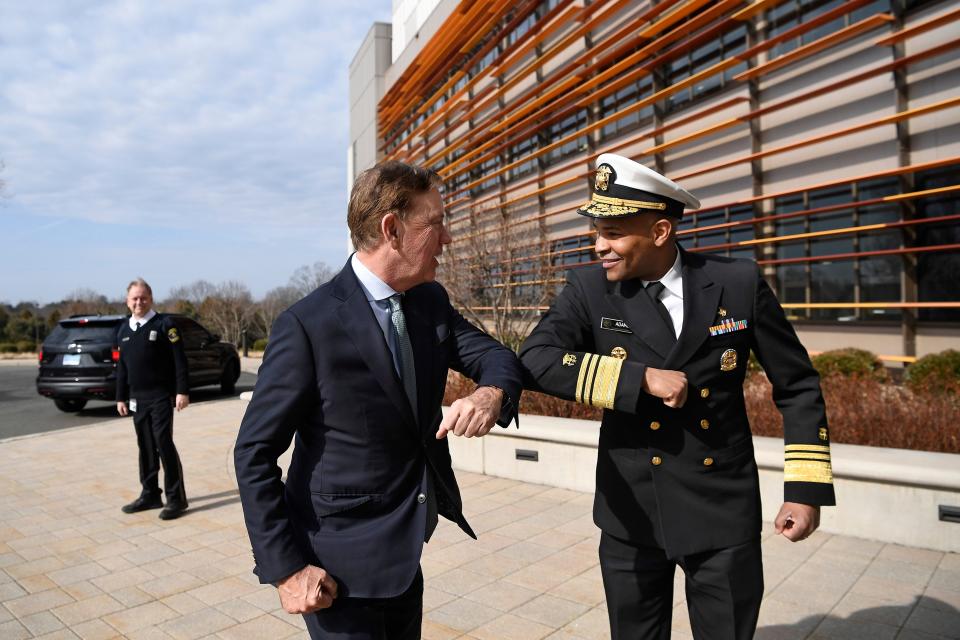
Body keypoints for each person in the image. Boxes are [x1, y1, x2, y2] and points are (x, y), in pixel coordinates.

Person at [519, 153, 835, 639]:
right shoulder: (588, 289)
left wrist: (806, 491)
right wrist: (639, 379)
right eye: (597, 231)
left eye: (613, 232)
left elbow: (797, 385)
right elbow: (536, 358)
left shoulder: (737, 282)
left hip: (722, 512)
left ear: (661, 232)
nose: (599, 245)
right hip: (632, 515)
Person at [234, 160, 523, 639]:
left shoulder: (429, 301)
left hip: (406, 556)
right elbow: (253, 453)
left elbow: (497, 357)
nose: (446, 238)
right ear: (392, 230)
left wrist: (491, 395)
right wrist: (286, 571)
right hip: (337, 572)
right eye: (435, 224)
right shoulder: (308, 326)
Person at [116, 278, 190, 520]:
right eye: (134, 298)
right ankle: (150, 494)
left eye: (143, 297)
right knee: (145, 446)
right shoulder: (124, 329)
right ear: (127, 301)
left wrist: (182, 391)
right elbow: (122, 368)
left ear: (151, 299)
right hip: (138, 399)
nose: (139, 302)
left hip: (160, 397)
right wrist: (121, 397)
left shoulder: (163, 324)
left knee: (163, 443)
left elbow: (180, 360)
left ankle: (176, 499)